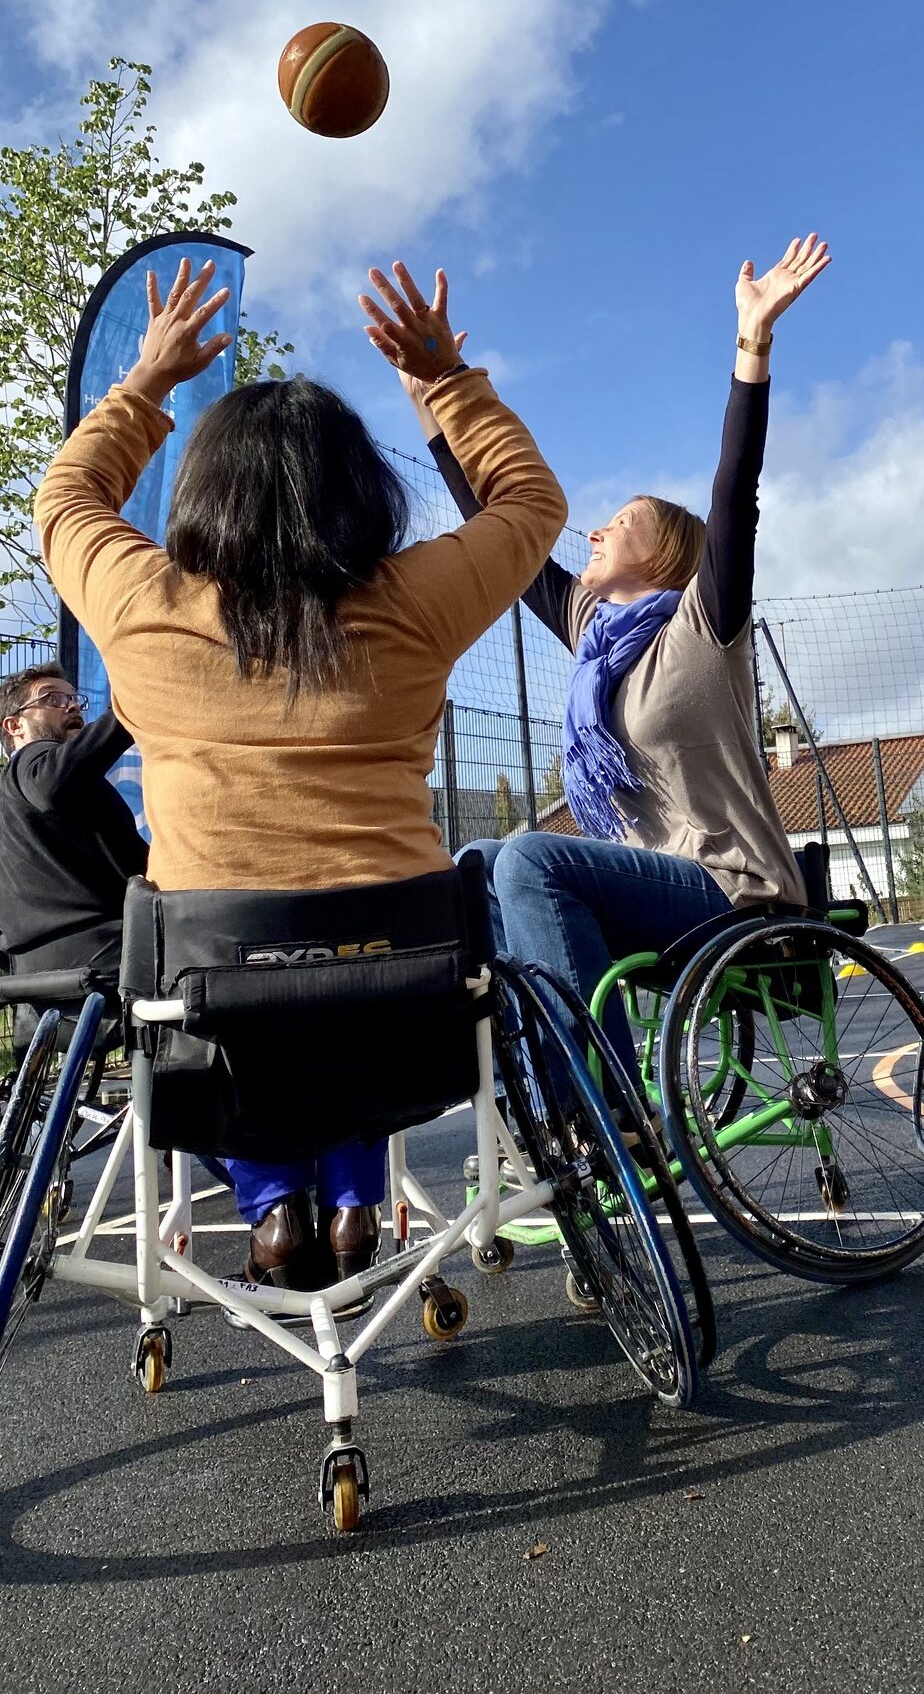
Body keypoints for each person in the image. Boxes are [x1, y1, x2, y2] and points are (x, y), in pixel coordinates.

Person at [33, 255, 566, 1292]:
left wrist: (145, 382)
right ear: (360, 491)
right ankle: (359, 1192)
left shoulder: (148, 608)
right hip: (407, 999)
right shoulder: (412, 601)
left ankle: (272, 1203)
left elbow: (65, 499)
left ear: (201, 491)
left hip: (216, 995)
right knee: (351, 994)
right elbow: (531, 505)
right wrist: (445, 380)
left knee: (239, 1019)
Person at [403, 236, 830, 1071]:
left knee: (530, 856)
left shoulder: (705, 625)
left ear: (667, 552)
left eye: (620, 520)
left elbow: (734, 491)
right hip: (640, 886)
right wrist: (433, 401)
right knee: (474, 866)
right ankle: (539, 1080)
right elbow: (500, 529)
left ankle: (602, 1094)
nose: (595, 529)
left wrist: (753, 342)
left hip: (730, 893)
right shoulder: (594, 638)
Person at [0, 664, 147, 1061]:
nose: (70, 706)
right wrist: (134, 704)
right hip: (102, 963)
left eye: (74, 698)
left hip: (41, 982)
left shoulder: (15, 811)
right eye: (52, 698)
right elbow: (49, 780)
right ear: (14, 726)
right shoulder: (31, 762)